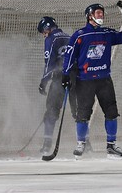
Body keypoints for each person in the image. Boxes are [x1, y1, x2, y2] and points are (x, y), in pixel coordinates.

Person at [61, 1, 122, 159]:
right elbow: (69, 55)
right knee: (82, 115)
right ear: (89, 16)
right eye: (97, 13)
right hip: (85, 81)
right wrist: (66, 74)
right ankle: (81, 144)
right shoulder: (79, 35)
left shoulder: (107, 33)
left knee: (111, 112)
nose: (101, 15)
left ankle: (111, 146)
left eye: (102, 13)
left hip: (104, 80)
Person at [36, 16, 85, 155]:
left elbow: (50, 63)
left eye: (43, 32)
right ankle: (85, 144)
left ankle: (47, 145)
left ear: (47, 29)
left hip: (60, 77)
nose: (44, 35)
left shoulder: (51, 39)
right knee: (80, 112)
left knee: (52, 110)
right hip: (76, 76)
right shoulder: (70, 37)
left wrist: (44, 82)